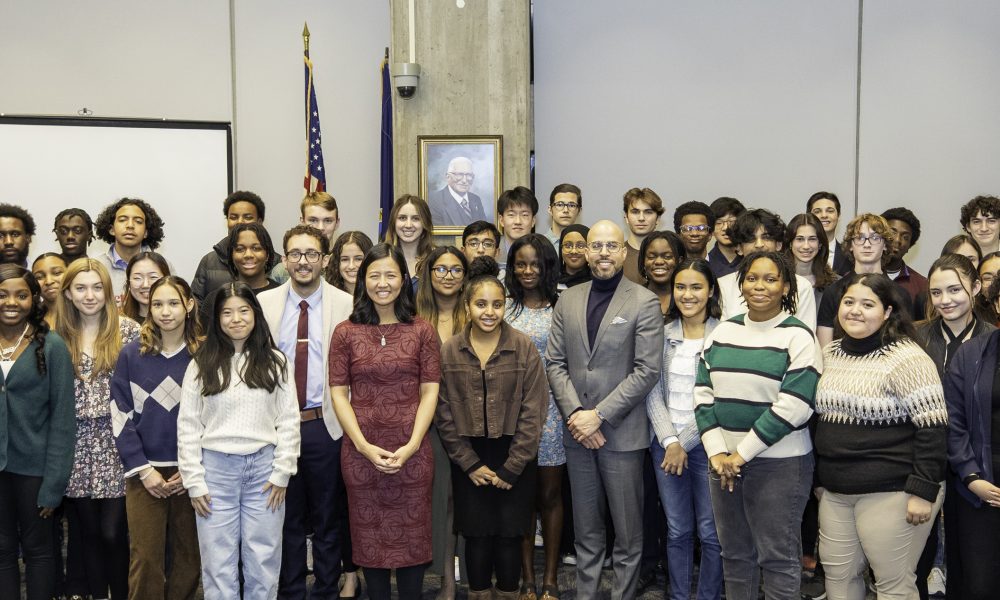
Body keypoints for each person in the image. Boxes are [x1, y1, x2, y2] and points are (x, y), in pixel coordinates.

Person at [545, 220, 663, 599]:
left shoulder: (643, 301)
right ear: (585, 251)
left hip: (622, 435)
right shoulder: (569, 299)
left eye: (611, 246)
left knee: (628, 535)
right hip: (578, 434)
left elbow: (647, 370)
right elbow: (555, 363)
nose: (603, 254)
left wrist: (600, 415)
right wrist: (578, 414)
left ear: (624, 252)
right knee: (587, 531)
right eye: (596, 246)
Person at [694, 250, 819, 600]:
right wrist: (719, 452)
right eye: (751, 278)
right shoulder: (723, 331)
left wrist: (741, 454)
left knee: (777, 559)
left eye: (770, 279)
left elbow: (795, 405)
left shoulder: (798, 336)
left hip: (780, 465)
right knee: (734, 556)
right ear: (740, 285)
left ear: (785, 287)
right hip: (723, 465)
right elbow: (703, 393)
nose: (759, 286)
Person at [815, 273, 947, 599]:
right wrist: (820, 480)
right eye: (849, 302)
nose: (855, 311)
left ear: (888, 312)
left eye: (867, 304)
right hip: (836, 492)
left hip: (895, 491)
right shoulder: (830, 353)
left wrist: (923, 491)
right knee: (838, 579)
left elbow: (933, 428)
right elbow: (820, 422)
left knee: (893, 584)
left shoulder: (908, 357)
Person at [328, 243, 441, 600]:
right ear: (363, 280)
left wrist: (411, 446)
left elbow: (430, 392)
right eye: (374, 275)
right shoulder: (345, 332)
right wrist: (361, 445)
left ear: (403, 280)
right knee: (369, 540)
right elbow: (338, 393)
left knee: (412, 540)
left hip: (413, 450)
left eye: (390, 274)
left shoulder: (422, 331)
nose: (382, 282)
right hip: (361, 451)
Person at [178, 282, 300, 599]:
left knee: (264, 560)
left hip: (265, 472)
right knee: (218, 564)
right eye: (227, 312)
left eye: (244, 310)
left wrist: (282, 472)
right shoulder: (199, 365)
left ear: (255, 315)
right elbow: (188, 425)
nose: (236, 319)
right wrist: (194, 481)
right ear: (217, 319)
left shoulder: (277, 362)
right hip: (215, 473)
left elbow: (288, 420)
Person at [437, 256, 547, 600]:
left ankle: (510, 593)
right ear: (467, 307)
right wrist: (468, 462)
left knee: (510, 536)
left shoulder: (523, 347)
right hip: (470, 457)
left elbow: (535, 409)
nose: (489, 312)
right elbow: (443, 411)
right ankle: (480, 593)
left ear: (505, 307)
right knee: (476, 535)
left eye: (497, 305)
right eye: (481, 304)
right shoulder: (451, 350)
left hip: (514, 455)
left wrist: (514, 466)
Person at [257, 225, 354, 600]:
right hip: (277, 428)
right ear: (283, 260)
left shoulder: (345, 305)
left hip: (324, 426)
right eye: (295, 253)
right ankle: (292, 592)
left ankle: (327, 590)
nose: (303, 261)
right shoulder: (263, 304)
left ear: (325, 260)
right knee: (285, 519)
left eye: (311, 253)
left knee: (329, 518)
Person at [110, 275, 202, 600]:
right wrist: (143, 469)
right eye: (157, 303)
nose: (165, 311)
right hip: (144, 476)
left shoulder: (204, 355)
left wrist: (192, 468)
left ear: (189, 305)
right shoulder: (132, 355)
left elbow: (214, 418)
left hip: (191, 474)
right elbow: (120, 416)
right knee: (146, 559)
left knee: (190, 558)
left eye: (174, 303)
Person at [56, 259, 142, 600]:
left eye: (96, 287)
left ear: (109, 291)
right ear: (67, 293)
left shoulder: (130, 331)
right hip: (76, 444)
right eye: (80, 288)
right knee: (87, 534)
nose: (89, 295)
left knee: (113, 532)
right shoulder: (56, 336)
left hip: (118, 442)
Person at [914, 254, 993, 600]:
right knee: (916, 558)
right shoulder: (914, 337)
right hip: (923, 460)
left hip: (973, 463)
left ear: (975, 288)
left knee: (968, 560)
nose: (944, 300)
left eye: (954, 289)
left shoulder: (992, 340)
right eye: (935, 292)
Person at [646, 258, 723, 600]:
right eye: (681, 287)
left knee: (710, 532)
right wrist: (669, 440)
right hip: (665, 446)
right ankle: (678, 596)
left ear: (710, 292)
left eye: (696, 287)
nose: (687, 294)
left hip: (710, 447)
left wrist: (685, 441)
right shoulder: (662, 334)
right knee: (677, 530)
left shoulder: (726, 334)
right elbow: (652, 390)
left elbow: (722, 398)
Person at [0, 265, 76, 600]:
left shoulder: (53, 345)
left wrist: (54, 484)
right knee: (1, 551)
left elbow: (63, 419)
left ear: (34, 298)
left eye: (20, 294)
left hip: (35, 471)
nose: (11, 302)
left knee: (40, 550)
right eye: (2, 294)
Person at [502, 235, 564, 600]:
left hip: (553, 413)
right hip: (512, 414)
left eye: (535, 264)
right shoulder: (505, 309)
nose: (527, 271)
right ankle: (526, 578)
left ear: (547, 267)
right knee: (520, 498)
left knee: (551, 495)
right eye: (520, 264)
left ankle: (551, 578)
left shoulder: (563, 307)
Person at [415, 246, 469, 600]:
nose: (447, 276)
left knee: (462, 503)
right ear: (428, 274)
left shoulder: (477, 312)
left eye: (455, 270)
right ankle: (422, 575)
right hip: (426, 423)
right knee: (431, 501)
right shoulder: (414, 316)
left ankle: (453, 581)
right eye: (440, 269)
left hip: (470, 423)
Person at [942, 309, 1000, 599]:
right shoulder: (971, 353)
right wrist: (971, 476)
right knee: (980, 585)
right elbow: (954, 421)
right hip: (980, 486)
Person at [816, 213, 908, 347]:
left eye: (875, 238)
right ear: (851, 245)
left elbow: (906, 344)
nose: (867, 244)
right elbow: (825, 348)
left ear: (886, 245)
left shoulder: (900, 294)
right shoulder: (833, 291)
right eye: (860, 238)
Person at [717, 209, 817, 330]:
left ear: (779, 245)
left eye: (766, 237)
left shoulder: (801, 286)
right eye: (750, 239)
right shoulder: (723, 285)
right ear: (739, 248)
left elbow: (805, 335)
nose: (759, 244)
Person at [191, 190, 269, 303]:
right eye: (233, 217)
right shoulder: (209, 262)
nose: (240, 222)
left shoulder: (275, 263)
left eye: (247, 217)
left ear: (259, 222)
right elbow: (196, 305)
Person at [198, 222, 281, 325]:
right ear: (231, 256)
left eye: (256, 248)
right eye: (240, 249)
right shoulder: (215, 299)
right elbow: (204, 339)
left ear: (267, 254)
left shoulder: (282, 295)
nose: (248, 255)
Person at [93, 198, 167, 302]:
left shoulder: (162, 265)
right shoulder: (95, 266)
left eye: (138, 221)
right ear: (111, 229)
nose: (130, 226)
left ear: (146, 232)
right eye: (123, 220)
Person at [882, 207, 929, 317]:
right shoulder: (862, 276)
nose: (898, 240)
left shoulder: (921, 285)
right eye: (892, 232)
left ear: (909, 246)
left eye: (905, 237)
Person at [784, 213, 838, 309]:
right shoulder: (778, 280)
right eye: (800, 239)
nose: (806, 246)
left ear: (820, 244)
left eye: (812, 239)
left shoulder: (835, 284)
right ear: (790, 243)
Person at [383, 194, 435, 278]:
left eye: (416, 218)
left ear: (425, 223)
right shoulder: (379, 258)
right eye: (402, 218)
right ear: (393, 222)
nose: (408, 225)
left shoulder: (436, 260)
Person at [621, 188, 665, 284]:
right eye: (635, 212)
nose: (641, 218)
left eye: (648, 212)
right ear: (626, 217)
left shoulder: (669, 256)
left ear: (658, 219)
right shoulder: (617, 255)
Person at [428, 157, 488, 227]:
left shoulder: (476, 199)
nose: (464, 180)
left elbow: (484, 229)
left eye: (469, 175)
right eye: (459, 174)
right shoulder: (433, 201)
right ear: (448, 177)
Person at [639, 231, 686, 316]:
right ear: (643, 262)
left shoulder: (688, 297)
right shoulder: (632, 298)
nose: (659, 262)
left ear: (680, 261)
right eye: (651, 257)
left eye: (667, 257)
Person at [496, 187, 540, 272]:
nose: (518, 221)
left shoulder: (542, 251)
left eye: (524, 215)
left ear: (533, 221)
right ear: (501, 220)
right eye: (511, 215)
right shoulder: (492, 251)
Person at [120, 251, 171, 323]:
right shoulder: (119, 322)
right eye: (137, 278)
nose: (145, 285)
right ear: (129, 282)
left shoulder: (175, 320)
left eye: (153, 277)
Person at [808, 191, 850, 276]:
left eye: (830, 211)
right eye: (817, 211)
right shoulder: (797, 252)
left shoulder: (850, 256)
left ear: (838, 216)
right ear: (809, 217)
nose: (824, 215)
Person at [707, 197, 745, 279]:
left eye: (731, 222)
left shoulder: (751, 259)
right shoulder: (706, 263)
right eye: (719, 222)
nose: (725, 228)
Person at [327, 231, 373, 296]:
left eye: (358, 259)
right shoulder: (327, 295)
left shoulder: (377, 298)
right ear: (336, 262)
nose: (351, 266)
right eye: (345, 259)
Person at [31, 252, 66, 329]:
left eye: (57, 273)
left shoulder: (84, 312)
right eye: (39, 277)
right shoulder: (29, 319)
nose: (49, 281)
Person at [557, 224, 591, 290]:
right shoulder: (551, 283)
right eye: (568, 245)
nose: (573, 251)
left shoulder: (596, 283)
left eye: (580, 246)